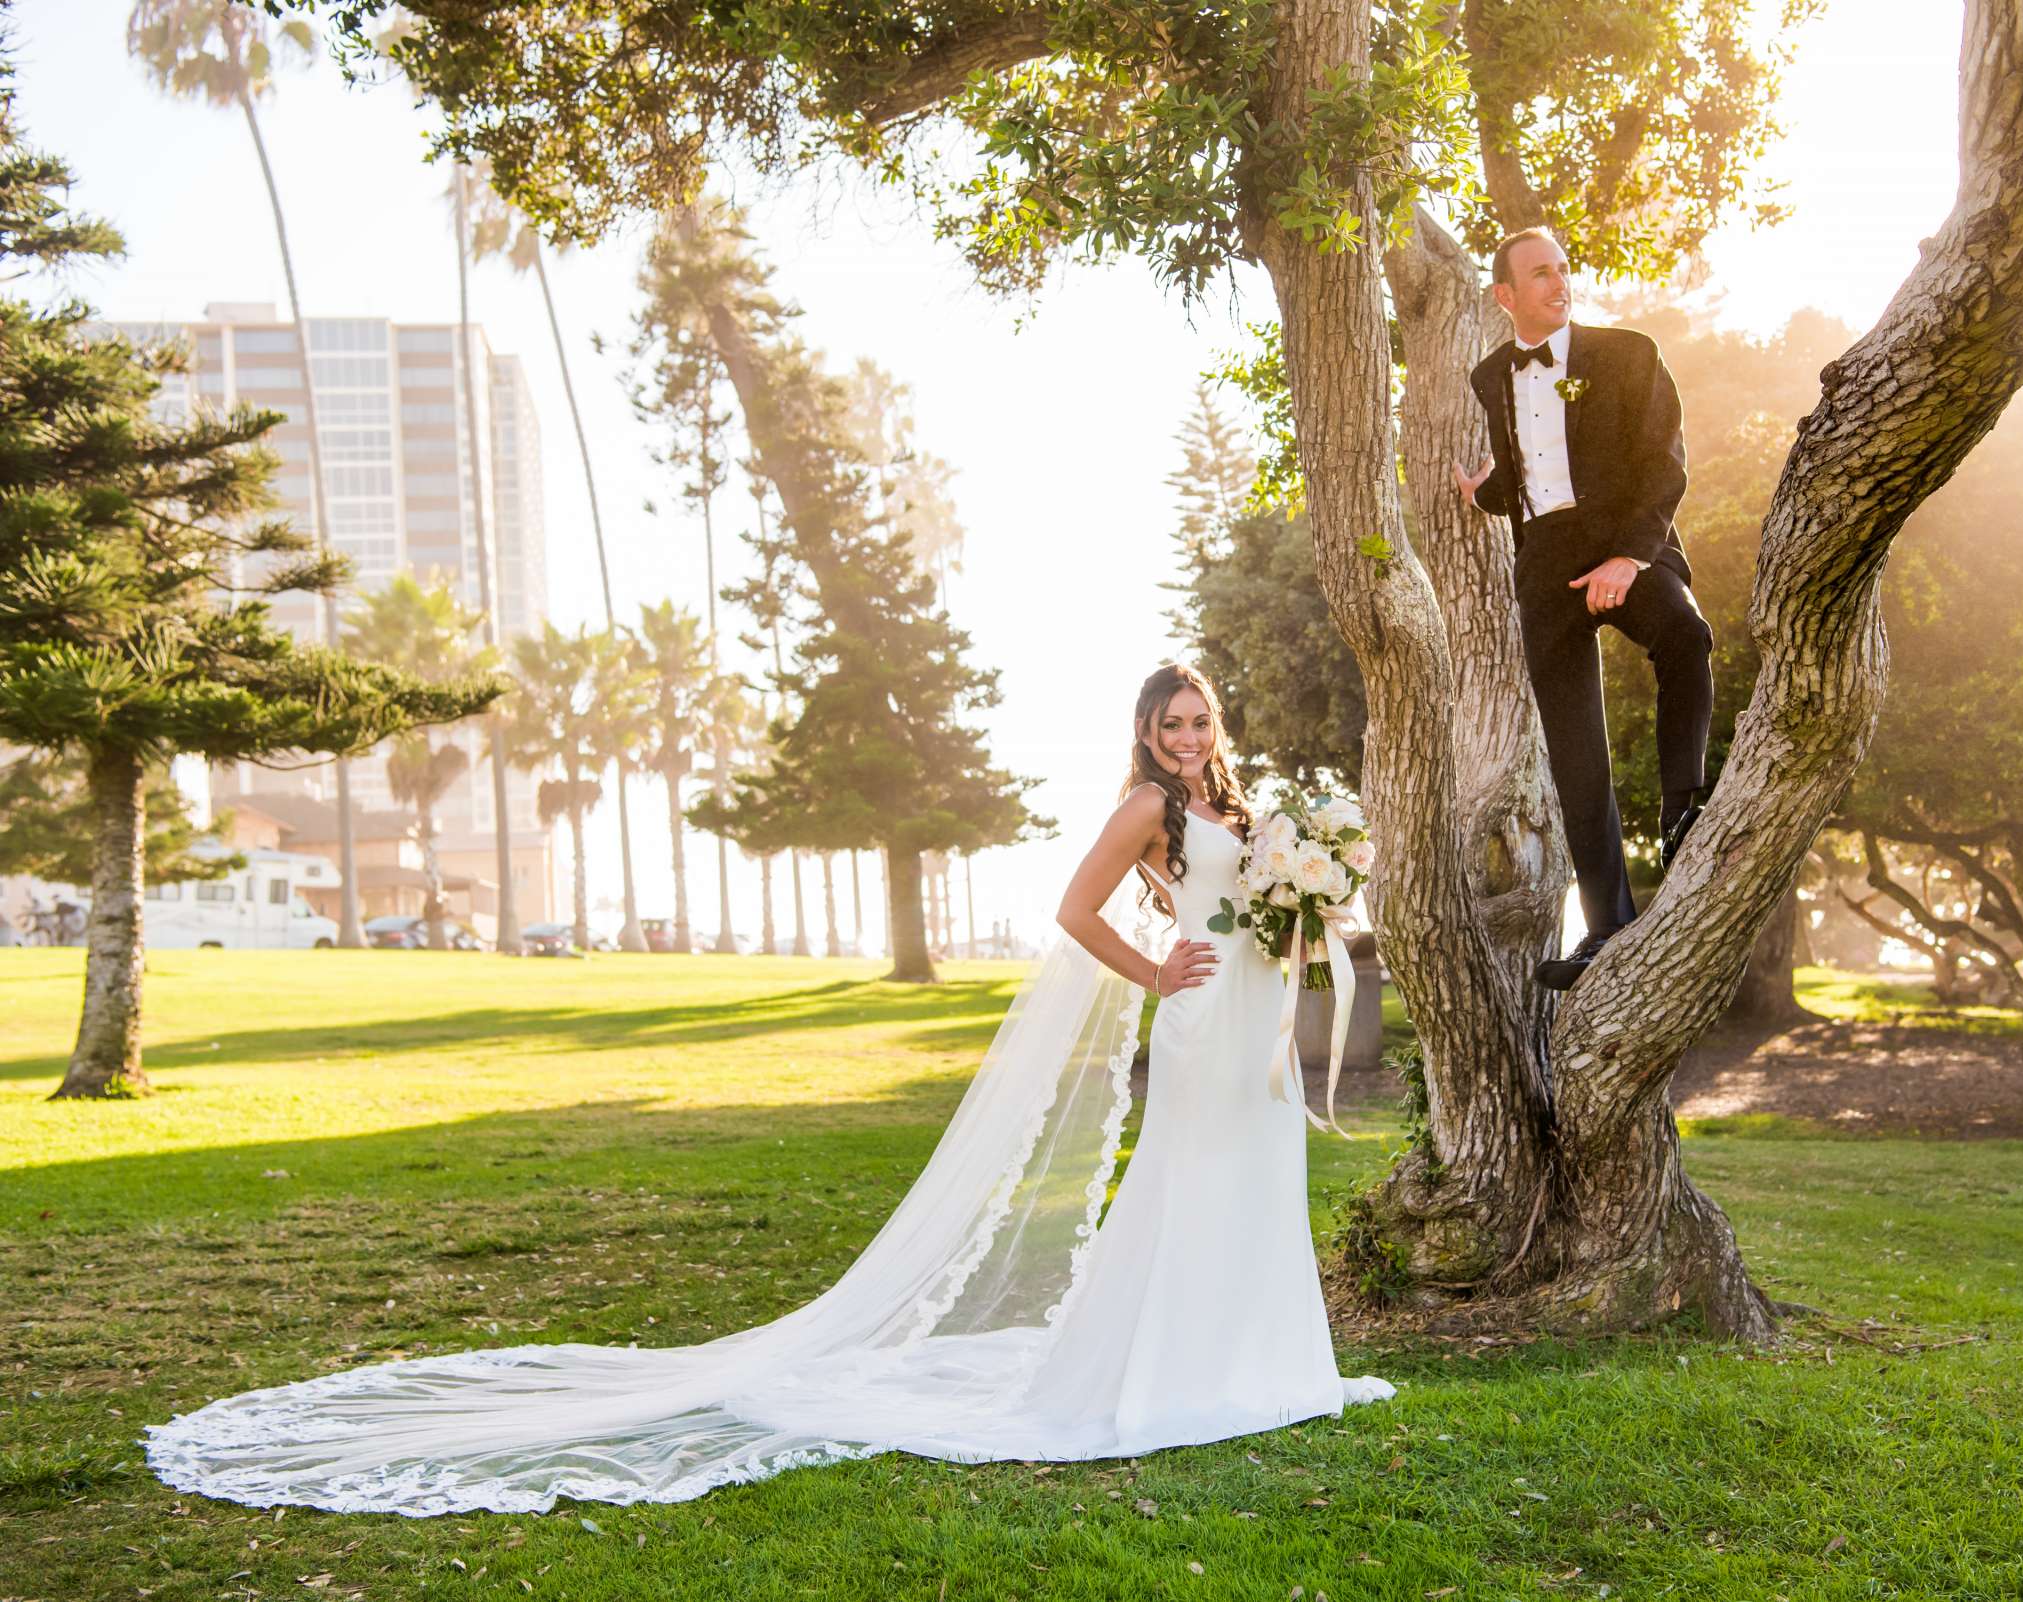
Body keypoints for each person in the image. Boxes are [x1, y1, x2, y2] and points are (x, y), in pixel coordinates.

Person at [146, 663, 1391, 1516]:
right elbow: (1072, 912)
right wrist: (1155, 966)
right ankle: (1167, 1369)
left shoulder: (1236, 802)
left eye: (1198, 721)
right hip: (1192, 1015)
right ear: (1145, 734)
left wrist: (1299, 915)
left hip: (1257, 1019)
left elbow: (1266, 900)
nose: (1187, 737)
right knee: (1183, 1188)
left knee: (1258, 1172)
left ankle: (1265, 1363)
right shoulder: (1144, 808)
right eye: (1170, 724)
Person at [1452, 225, 1716, 990]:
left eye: (1562, 269)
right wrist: (1487, 493)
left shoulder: (1631, 354)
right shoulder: (1489, 376)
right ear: (1506, 296)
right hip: (1545, 569)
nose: (1557, 282)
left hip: (1631, 540)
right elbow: (1534, 466)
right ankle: (1607, 929)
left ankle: (1683, 812)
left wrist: (1630, 559)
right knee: (1575, 756)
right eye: (1539, 274)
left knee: (1687, 635)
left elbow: (1664, 465)